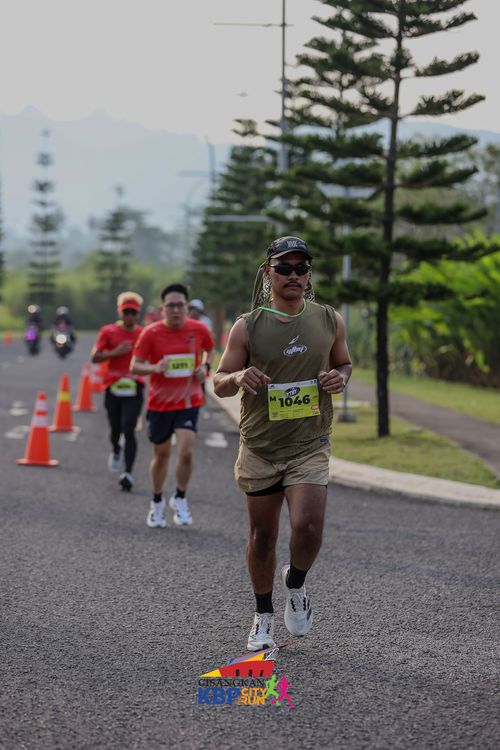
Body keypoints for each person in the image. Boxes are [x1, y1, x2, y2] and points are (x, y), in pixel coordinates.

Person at [213, 236, 352, 651]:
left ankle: (296, 582)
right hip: (261, 447)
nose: (293, 275)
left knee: (308, 528)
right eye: (284, 268)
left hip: (310, 443)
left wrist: (340, 378)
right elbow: (219, 382)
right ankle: (263, 616)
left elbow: (344, 363)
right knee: (262, 537)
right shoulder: (248, 326)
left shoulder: (329, 319)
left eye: (301, 268)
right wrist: (238, 377)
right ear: (268, 273)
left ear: (309, 275)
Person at [130, 283, 215, 528]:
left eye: (180, 305)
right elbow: (135, 366)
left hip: (189, 401)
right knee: (162, 454)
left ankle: (180, 497)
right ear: (162, 308)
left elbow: (210, 350)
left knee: (186, 451)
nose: (176, 310)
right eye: (171, 306)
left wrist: (205, 367)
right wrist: (154, 368)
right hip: (159, 404)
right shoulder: (151, 333)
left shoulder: (199, 329)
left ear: (187, 307)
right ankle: (157, 501)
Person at [90, 292, 145, 492]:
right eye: (126, 312)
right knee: (115, 429)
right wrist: (116, 352)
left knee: (129, 428)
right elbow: (94, 357)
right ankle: (115, 448)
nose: (130, 315)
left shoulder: (143, 333)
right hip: (112, 387)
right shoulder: (108, 331)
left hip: (134, 387)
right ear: (119, 312)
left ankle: (128, 473)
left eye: (133, 312)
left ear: (138, 314)